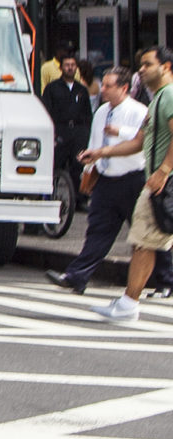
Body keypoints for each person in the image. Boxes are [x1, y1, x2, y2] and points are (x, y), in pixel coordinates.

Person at [54, 64, 150, 295]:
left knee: (146, 232)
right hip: (106, 180)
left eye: (109, 86)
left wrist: (121, 132)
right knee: (98, 230)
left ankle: (166, 278)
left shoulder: (139, 111)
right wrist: (89, 162)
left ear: (124, 88)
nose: (103, 89)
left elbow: (143, 141)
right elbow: (96, 142)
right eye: (103, 84)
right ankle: (78, 275)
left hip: (133, 179)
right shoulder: (101, 111)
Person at [96, 47, 173, 323]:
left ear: (165, 66)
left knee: (143, 242)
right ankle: (129, 301)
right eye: (141, 65)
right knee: (145, 243)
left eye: (147, 64)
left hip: (162, 183)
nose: (141, 69)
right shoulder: (157, 99)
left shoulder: (169, 96)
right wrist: (101, 153)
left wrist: (163, 171)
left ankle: (129, 304)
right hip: (157, 182)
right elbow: (139, 142)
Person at [42, 54, 94, 169]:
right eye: (67, 65)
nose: (70, 68)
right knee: (55, 167)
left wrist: (86, 133)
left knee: (78, 168)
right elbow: (46, 111)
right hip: (60, 132)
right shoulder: (52, 88)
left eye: (73, 65)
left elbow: (87, 114)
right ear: (61, 68)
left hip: (78, 134)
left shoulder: (82, 90)